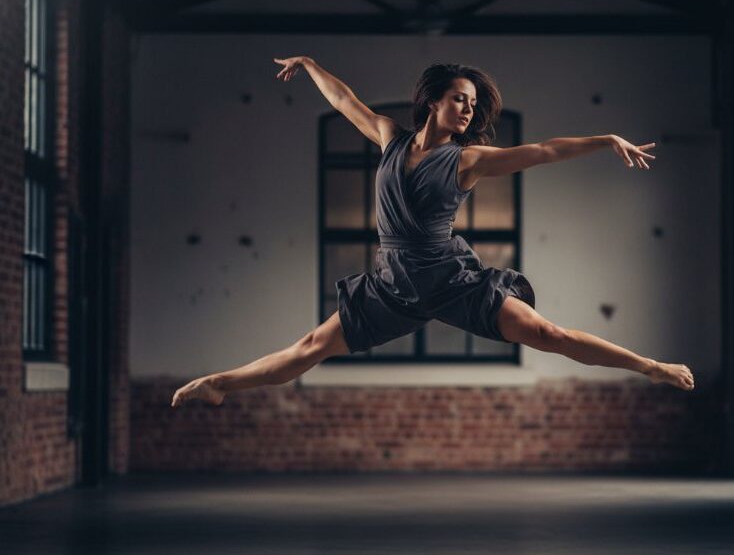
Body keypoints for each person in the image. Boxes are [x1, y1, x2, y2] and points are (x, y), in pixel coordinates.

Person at [171, 57, 694, 408]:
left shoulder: (468, 161)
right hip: (392, 286)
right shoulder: (389, 138)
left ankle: (650, 367)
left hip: (451, 281)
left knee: (548, 335)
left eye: (473, 104)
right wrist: (309, 65)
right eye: (460, 99)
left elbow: (543, 151)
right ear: (433, 102)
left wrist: (606, 139)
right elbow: (344, 101)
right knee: (309, 346)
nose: (469, 110)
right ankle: (220, 384)